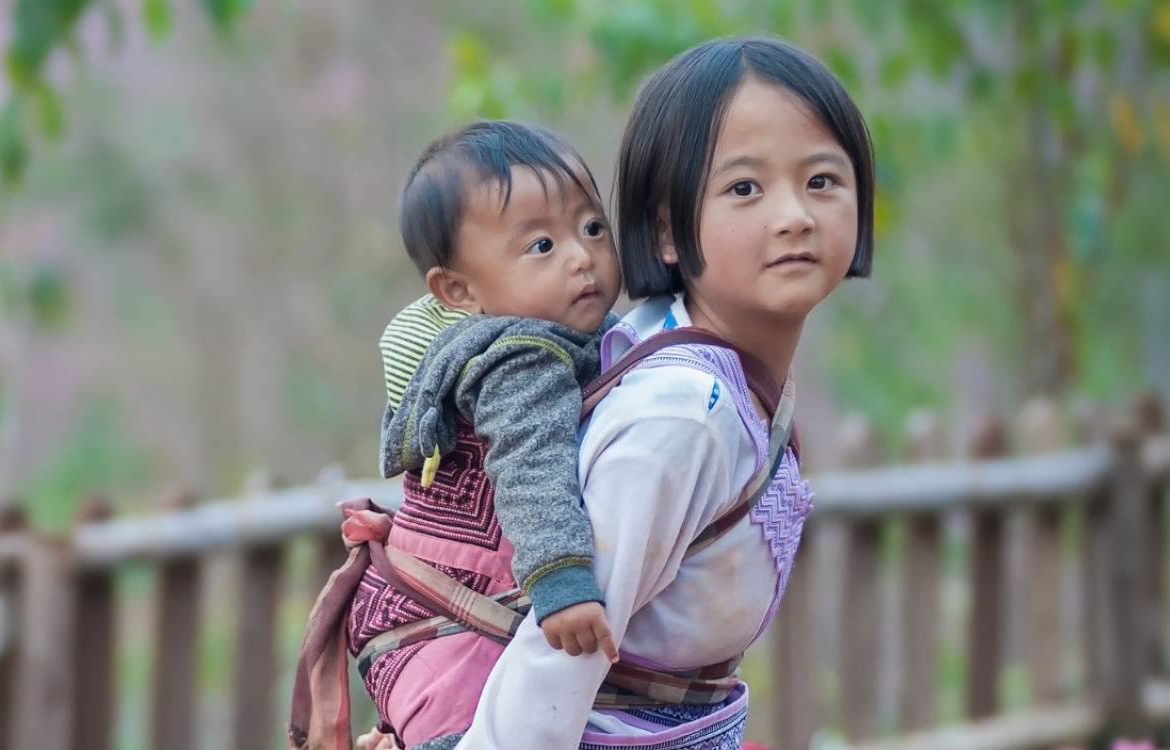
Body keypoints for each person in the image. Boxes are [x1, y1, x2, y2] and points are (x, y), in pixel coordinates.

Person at [450, 35, 876, 749]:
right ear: (667, 231)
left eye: (822, 181)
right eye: (745, 188)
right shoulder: (682, 416)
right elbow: (564, 646)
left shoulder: (714, 369)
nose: (794, 216)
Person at [287, 119, 625, 750]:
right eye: (541, 246)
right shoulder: (524, 359)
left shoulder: (484, 349)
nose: (583, 256)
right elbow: (531, 465)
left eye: (592, 227)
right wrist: (561, 581)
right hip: (452, 629)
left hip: (416, 619)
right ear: (460, 289)